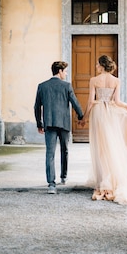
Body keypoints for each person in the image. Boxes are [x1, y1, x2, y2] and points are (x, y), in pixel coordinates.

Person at [80, 55, 127, 205]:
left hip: (98, 112)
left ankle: (104, 181)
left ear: (101, 65)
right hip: (111, 112)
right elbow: (117, 101)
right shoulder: (116, 81)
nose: (96, 67)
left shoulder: (94, 80)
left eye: (97, 64)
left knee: (100, 148)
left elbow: (91, 101)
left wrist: (84, 118)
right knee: (111, 145)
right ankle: (112, 179)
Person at [34, 61, 84, 194]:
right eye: (65, 71)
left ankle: (51, 184)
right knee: (65, 150)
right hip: (64, 123)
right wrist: (81, 116)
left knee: (50, 153)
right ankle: (63, 176)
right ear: (60, 71)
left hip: (49, 124)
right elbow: (75, 102)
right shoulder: (67, 86)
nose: (66, 74)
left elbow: (37, 106)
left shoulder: (42, 86)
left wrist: (39, 124)